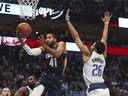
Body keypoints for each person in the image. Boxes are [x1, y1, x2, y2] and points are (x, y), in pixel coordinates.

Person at [65, 9, 112, 96]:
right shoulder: (103, 55)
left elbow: (76, 37)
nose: (91, 46)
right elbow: (104, 39)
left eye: (93, 45)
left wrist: (68, 21)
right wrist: (106, 23)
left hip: (95, 90)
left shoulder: (88, 54)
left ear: (95, 48)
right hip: (105, 90)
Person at [17, 32, 67, 96]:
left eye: (49, 38)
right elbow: (31, 52)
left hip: (57, 78)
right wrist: (21, 41)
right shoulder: (44, 48)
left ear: (55, 39)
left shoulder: (61, 44)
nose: (47, 39)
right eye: (46, 38)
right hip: (45, 77)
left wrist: (44, 45)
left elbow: (57, 54)